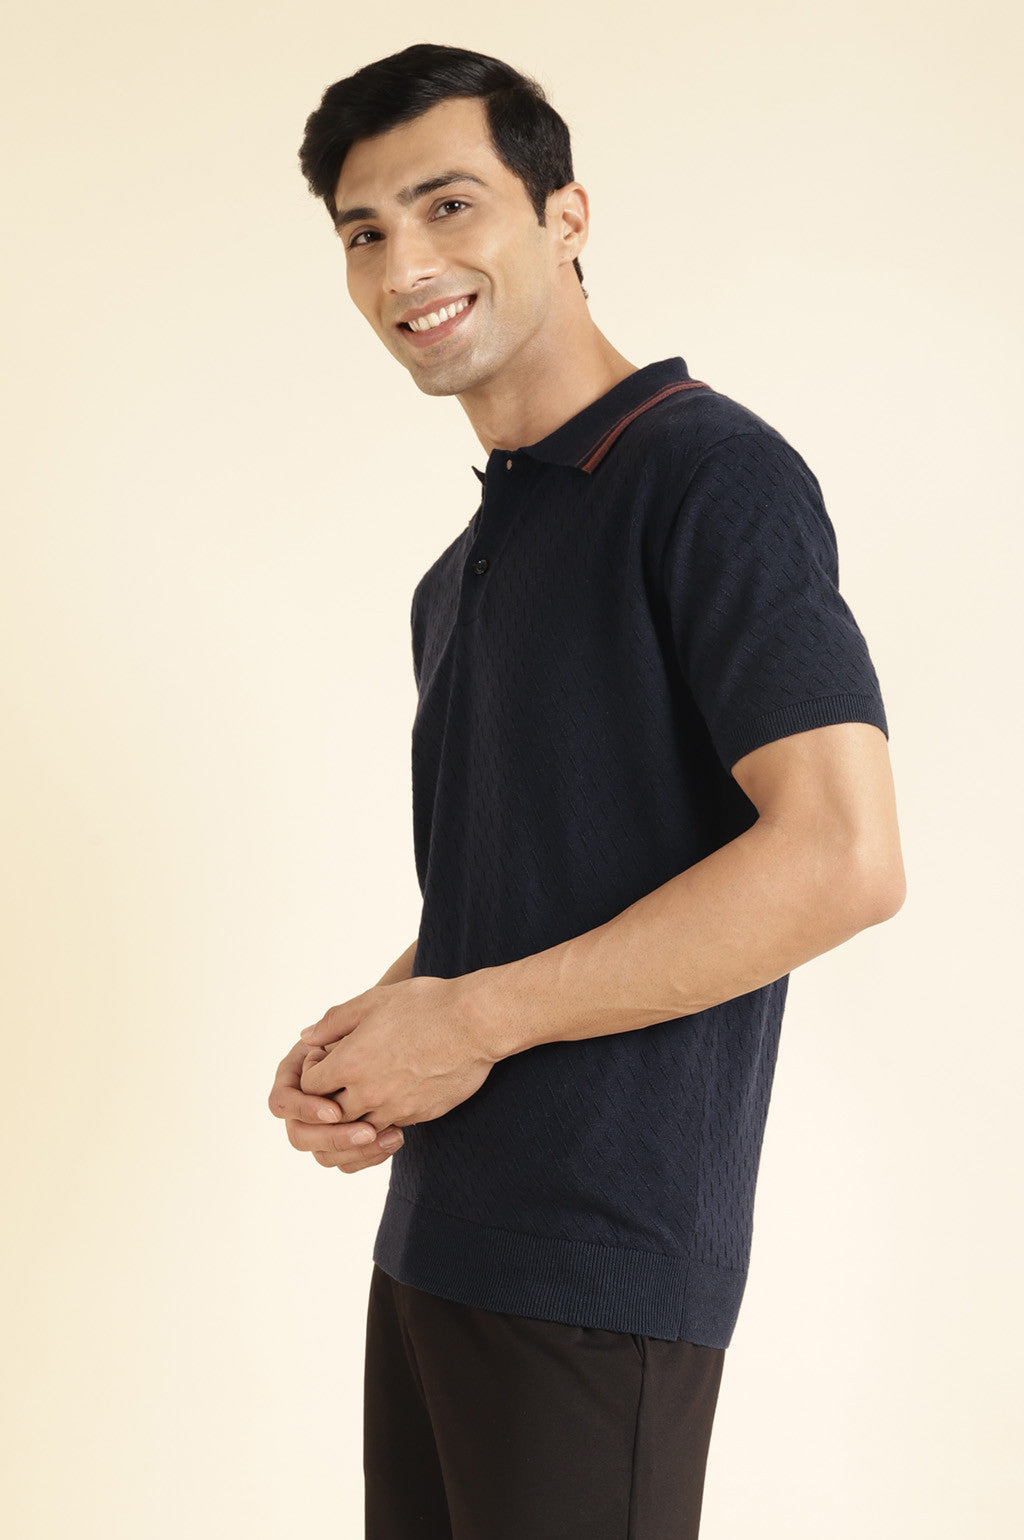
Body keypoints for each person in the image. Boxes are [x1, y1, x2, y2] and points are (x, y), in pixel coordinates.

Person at [267, 41, 905, 1540]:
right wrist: (375, 1034)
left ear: (566, 216)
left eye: (449, 205)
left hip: (600, 1265)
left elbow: (842, 855)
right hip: (436, 1245)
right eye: (364, 233)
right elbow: (529, 883)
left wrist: (468, 1022)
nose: (404, 266)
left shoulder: (708, 475)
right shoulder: (462, 573)